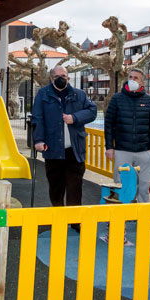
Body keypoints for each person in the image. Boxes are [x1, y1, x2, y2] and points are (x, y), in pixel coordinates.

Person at [32, 65, 97, 210]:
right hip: (53, 148)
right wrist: (39, 140)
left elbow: (92, 111)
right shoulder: (43, 94)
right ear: (51, 78)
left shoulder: (79, 94)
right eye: (56, 77)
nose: (60, 79)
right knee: (56, 186)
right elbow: (38, 118)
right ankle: (58, 216)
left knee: (75, 186)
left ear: (68, 77)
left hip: (74, 149)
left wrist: (75, 117)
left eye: (63, 76)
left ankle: (74, 220)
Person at [103, 69, 150, 216]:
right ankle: (121, 216)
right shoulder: (117, 99)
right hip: (123, 150)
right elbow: (109, 124)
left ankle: (144, 216)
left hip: (144, 151)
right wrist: (109, 147)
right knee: (122, 185)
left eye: (136, 78)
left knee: (144, 187)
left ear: (142, 82)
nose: (132, 80)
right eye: (130, 77)